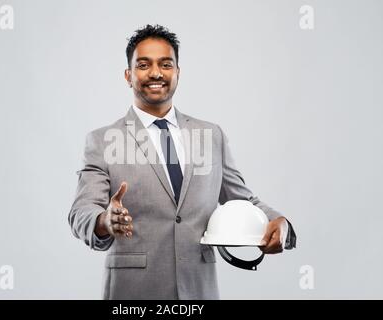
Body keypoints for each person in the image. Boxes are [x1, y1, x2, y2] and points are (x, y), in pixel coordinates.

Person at [68, 24, 296, 300]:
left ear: (177, 73)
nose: (155, 73)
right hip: (133, 293)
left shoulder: (212, 135)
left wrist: (279, 221)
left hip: (199, 290)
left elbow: (243, 201)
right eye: (143, 64)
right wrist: (104, 220)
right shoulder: (102, 140)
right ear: (128, 76)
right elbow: (81, 211)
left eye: (166, 64)